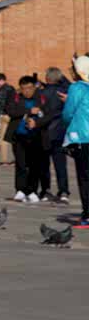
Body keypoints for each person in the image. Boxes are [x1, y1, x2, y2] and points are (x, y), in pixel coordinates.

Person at [5, 76, 47, 202]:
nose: (27, 91)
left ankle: (32, 190)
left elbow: (47, 114)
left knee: (34, 165)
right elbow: (11, 111)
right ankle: (20, 190)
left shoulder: (41, 98)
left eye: (30, 88)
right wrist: (29, 110)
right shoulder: (15, 97)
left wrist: (37, 119)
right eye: (24, 88)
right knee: (21, 164)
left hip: (36, 136)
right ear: (20, 89)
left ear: (35, 87)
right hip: (19, 136)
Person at [63, 55, 89, 227]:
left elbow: (68, 113)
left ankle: (87, 214)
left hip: (83, 137)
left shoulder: (77, 88)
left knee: (85, 177)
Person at [40, 68, 71, 204]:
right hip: (59, 131)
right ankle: (63, 191)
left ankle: (46, 190)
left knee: (44, 163)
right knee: (60, 164)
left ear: (47, 78)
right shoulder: (64, 91)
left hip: (44, 131)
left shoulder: (42, 93)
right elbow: (69, 85)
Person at [0, 73, 15, 166]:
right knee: (10, 137)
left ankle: (4, 159)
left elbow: (0, 103)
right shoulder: (12, 89)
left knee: (2, 138)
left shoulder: (3, 90)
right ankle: (12, 158)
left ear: (0, 80)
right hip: (11, 115)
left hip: (3, 115)